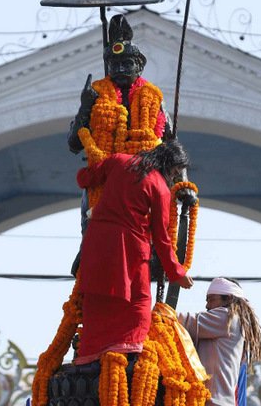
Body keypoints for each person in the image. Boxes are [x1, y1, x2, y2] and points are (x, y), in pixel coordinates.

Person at [67, 14, 196, 275]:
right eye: (114, 64)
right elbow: (73, 143)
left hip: (144, 175)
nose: (121, 70)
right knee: (88, 209)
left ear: (139, 67)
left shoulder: (153, 98)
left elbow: (171, 145)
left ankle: (159, 255)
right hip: (105, 175)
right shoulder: (95, 96)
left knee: (158, 210)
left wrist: (182, 185)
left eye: (127, 64)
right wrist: (85, 106)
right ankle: (88, 248)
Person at [74, 140, 194, 364]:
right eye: (175, 172)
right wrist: (177, 273)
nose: (174, 177)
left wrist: (88, 167)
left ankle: (89, 353)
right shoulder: (160, 187)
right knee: (138, 300)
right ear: (168, 165)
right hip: (131, 248)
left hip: (97, 242)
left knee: (96, 296)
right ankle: (128, 351)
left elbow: (85, 178)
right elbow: (161, 238)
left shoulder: (119, 160)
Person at [178, 278, 261, 406]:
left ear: (228, 298)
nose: (207, 306)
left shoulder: (228, 318)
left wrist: (153, 312)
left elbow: (184, 321)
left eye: (211, 299)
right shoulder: (236, 322)